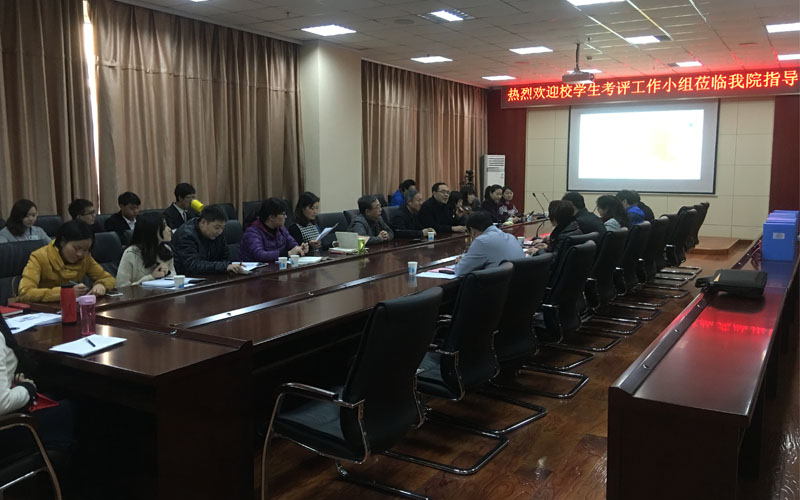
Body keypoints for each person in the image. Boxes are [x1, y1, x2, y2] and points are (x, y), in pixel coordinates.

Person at [17, 220, 115, 302]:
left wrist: (101, 285)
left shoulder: (85, 258)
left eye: (85, 250)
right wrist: (64, 293)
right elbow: (25, 293)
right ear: (62, 242)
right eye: (76, 248)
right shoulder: (39, 257)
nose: (80, 254)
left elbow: (109, 279)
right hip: (44, 311)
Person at [173, 205, 245, 275]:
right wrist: (224, 266)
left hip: (212, 276)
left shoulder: (218, 233)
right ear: (203, 222)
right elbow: (193, 265)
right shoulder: (186, 235)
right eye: (217, 228)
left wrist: (231, 266)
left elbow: (225, 257)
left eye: (223, 228)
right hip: (189, 279)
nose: (220, 232)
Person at [454, 211, 525, 277]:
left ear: (472, 231)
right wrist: (469, 259)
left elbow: (460, 271)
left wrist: (463, 262)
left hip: (499, 285)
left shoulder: (481, 241)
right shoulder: (511, 237)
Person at [116, 213, 176, 287]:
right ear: (153, 230)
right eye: (164, 226)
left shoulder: (166, 250)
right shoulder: (131, 253)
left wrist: (168, 272)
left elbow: (174, 276)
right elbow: (121, 287)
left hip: (165, 292)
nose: (169, 229)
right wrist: (151, 277)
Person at [241, 198, 308, 262]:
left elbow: (292, 244)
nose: (286, 217)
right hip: (256, 269)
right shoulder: (252, 232)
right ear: (271, 217)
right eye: (283, 214)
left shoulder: (281, 228)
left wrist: (300, 248)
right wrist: (287, 254)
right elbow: (260, 255)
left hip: (274, 266)